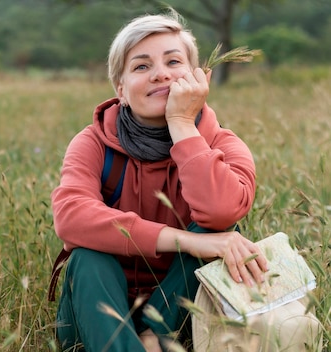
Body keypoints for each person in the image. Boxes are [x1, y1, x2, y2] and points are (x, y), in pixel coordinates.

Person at [50, 9, 269, 352]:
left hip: (182, 317)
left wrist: (182, 124)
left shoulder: (223, 144)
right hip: (95, 316)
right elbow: (71, 217)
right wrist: (185, 241)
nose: (160, 75)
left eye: (173, 62)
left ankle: (153, 339)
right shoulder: (93, 142)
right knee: (87, 257)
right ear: (121, 90)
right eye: (141, 66)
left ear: (197, 78)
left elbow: (223, 213)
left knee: (218, 234)